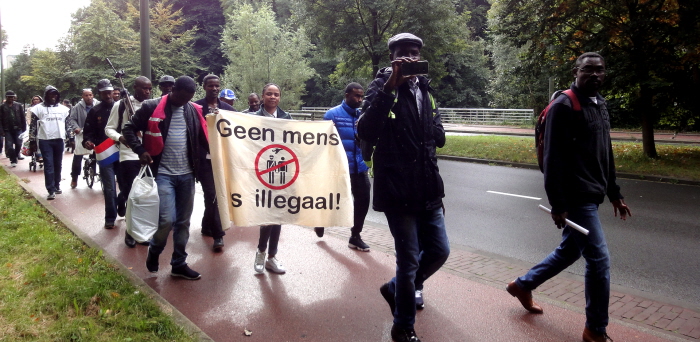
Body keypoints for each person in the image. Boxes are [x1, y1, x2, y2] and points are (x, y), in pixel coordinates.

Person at [506, 52, 632, 342]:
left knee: (570, 251)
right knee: (599, 261)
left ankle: (522, 285)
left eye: (600, 70)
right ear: (576, 71)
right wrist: (558, 204)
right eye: (588, 70)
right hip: (576, 197)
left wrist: (614, 192)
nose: (595, 75)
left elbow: (606, 152)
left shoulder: (600, 103)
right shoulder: (564, 105)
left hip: (594, 191)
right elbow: (552, 159)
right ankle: (595, 330)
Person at [357, 33, 449, 342]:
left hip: (428, 190)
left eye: (414, 54)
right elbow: (366, 129)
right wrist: (389, 89)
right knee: (409, 261)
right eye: (403, 54)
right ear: (392, 57)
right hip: (398, 191)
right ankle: (403, 326)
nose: (409, 59)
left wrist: (436, 129)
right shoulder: (381, 87)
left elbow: (436, 136)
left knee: (439, 250)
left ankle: (395, 287)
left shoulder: (426, 87)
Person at [123, 76, 208, 280]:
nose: (183, 102)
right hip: (163, 174)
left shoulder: (193, 110)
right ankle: (154, 251)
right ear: (173, 90)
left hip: (187, 175)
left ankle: (179, 263)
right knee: (166, 220)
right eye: (180, 97)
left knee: (183, 222)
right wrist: (140, 150)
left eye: (188, 98)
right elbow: (128, 129)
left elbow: (203, 138)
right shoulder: (152, 107)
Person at [313, 83, 371, 252]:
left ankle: (355, 236)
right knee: (331, 200)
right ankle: (321, 221)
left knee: (363, 200)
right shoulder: (332, 115)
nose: (359, 99)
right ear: (346, 95)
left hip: (359, 167)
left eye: (361, 96)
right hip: (337, 169)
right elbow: (323, 142)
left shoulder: (362, 115)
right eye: (355, 96)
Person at [105, 76, 152, 248]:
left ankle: (141, 230)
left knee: (145, 195)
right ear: (134, 87)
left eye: (149, 89)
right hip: (128, 155)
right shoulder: (121, 105)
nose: (147, 92)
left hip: (148, 155)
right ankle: (130, 231)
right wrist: (120, 137)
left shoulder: (152, 105)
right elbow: (109, 128)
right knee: (134, 195)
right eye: (144, 88)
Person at [250, 83, 291, 275]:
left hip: (280, 173)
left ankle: (272, 257)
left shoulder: (286, 118)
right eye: (269, 94)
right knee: (266, 216)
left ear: (280, 97)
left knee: (279, 216)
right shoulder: (250, 119)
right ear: (262, 96)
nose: (273, 97)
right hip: (260, 174)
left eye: (276, 94)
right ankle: (260, 253)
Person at [193, 74, 234, 251]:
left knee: (214, 197)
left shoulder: (228, 109)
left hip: (222, 160)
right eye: (210, 85)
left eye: (217, 85)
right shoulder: (195, 107)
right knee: (213, 195)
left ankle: (206, 225)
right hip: (204, 161)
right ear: (204, 87)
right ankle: (218, 236)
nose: (214, 88)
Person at [82, 79, 120, 230]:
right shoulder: (94, 111)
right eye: (104, 92)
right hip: (105, 153)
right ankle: (110, 217)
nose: (108, 94)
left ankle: (121, 205)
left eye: (109, 91)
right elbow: (88, 132)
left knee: (125, 185)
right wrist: (87, 141)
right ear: (100, 93)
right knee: (109, 187)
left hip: (122, 151)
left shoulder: (121, 107)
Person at [29, 86, 71, 200]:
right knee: (48, 164)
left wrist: (71, 138)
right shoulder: (38, 109)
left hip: (59, 139)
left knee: (58, 164)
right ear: (46, 95)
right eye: (50, 94)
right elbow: (33, 126)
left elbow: (68, 125)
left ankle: (57, 185)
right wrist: (32, 140)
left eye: (55, 94)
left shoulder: (64, 109)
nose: (53, 97)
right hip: (45, 140)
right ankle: (50, 189)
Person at [67, 89, 99, 188]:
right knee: (78, 156)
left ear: (93, 95)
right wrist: (76, 127)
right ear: (82, 96)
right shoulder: (77, 107)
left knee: (95, 154)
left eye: (90, 95)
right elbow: (71, 119)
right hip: (82, 133)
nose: (89, 97)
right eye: (86, 95)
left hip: (95, 133)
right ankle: (74, 178)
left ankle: (93, 172)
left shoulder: (98, 105)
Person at [1, 91, 26, 167]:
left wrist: (24, 129)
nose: (11, 98)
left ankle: (16, 155)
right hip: (7, 129)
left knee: (18, 143)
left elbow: (22, 117)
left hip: (18, 129)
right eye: (9, 97)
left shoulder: (18, 106)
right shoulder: (2, 107)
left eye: (12, 97)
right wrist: (1, 130)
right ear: (6, 97)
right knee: (9, 145)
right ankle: (13, 160)